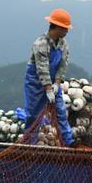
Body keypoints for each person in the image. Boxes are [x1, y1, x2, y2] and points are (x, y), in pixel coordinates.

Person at [16, 8, 74, 147]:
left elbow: (62, 66)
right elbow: (42, 68)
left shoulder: (64, 45)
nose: (67, 31)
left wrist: (56, 84)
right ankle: (30, 142)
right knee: (33, 113)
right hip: (35, 82)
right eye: (65, 28)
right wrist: (47, 88)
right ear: (57, 27)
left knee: (60, 111)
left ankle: (68, 141)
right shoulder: (40, 43)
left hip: (54, 82)